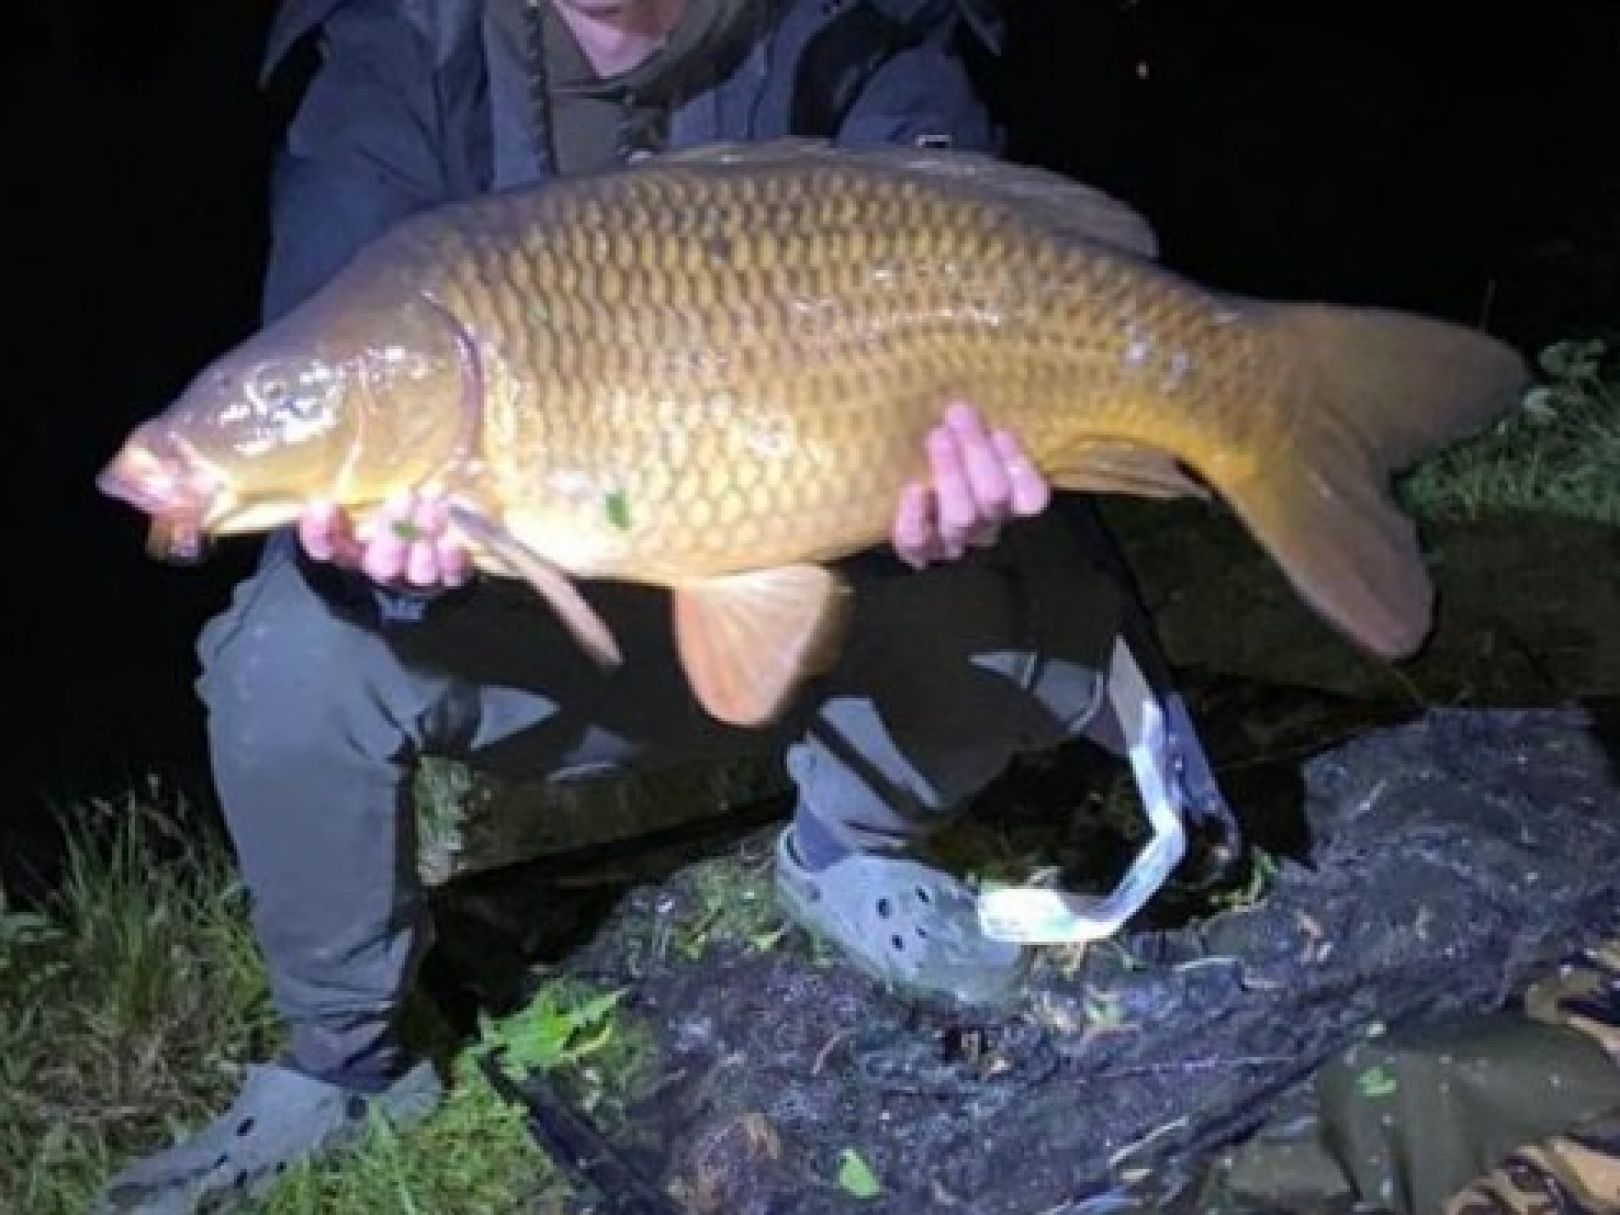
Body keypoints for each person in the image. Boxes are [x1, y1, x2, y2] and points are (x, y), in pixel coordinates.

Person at [99, 1, 1233, 1209]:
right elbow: (331, 318)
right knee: (290, 658)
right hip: (543, 617)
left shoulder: (866, 27)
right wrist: (381, 559)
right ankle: (348, 1062)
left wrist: (966, 487)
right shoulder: (400, 56)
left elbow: (973, 222)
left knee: (1037, 595)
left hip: (828, 568)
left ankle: (854, 847)